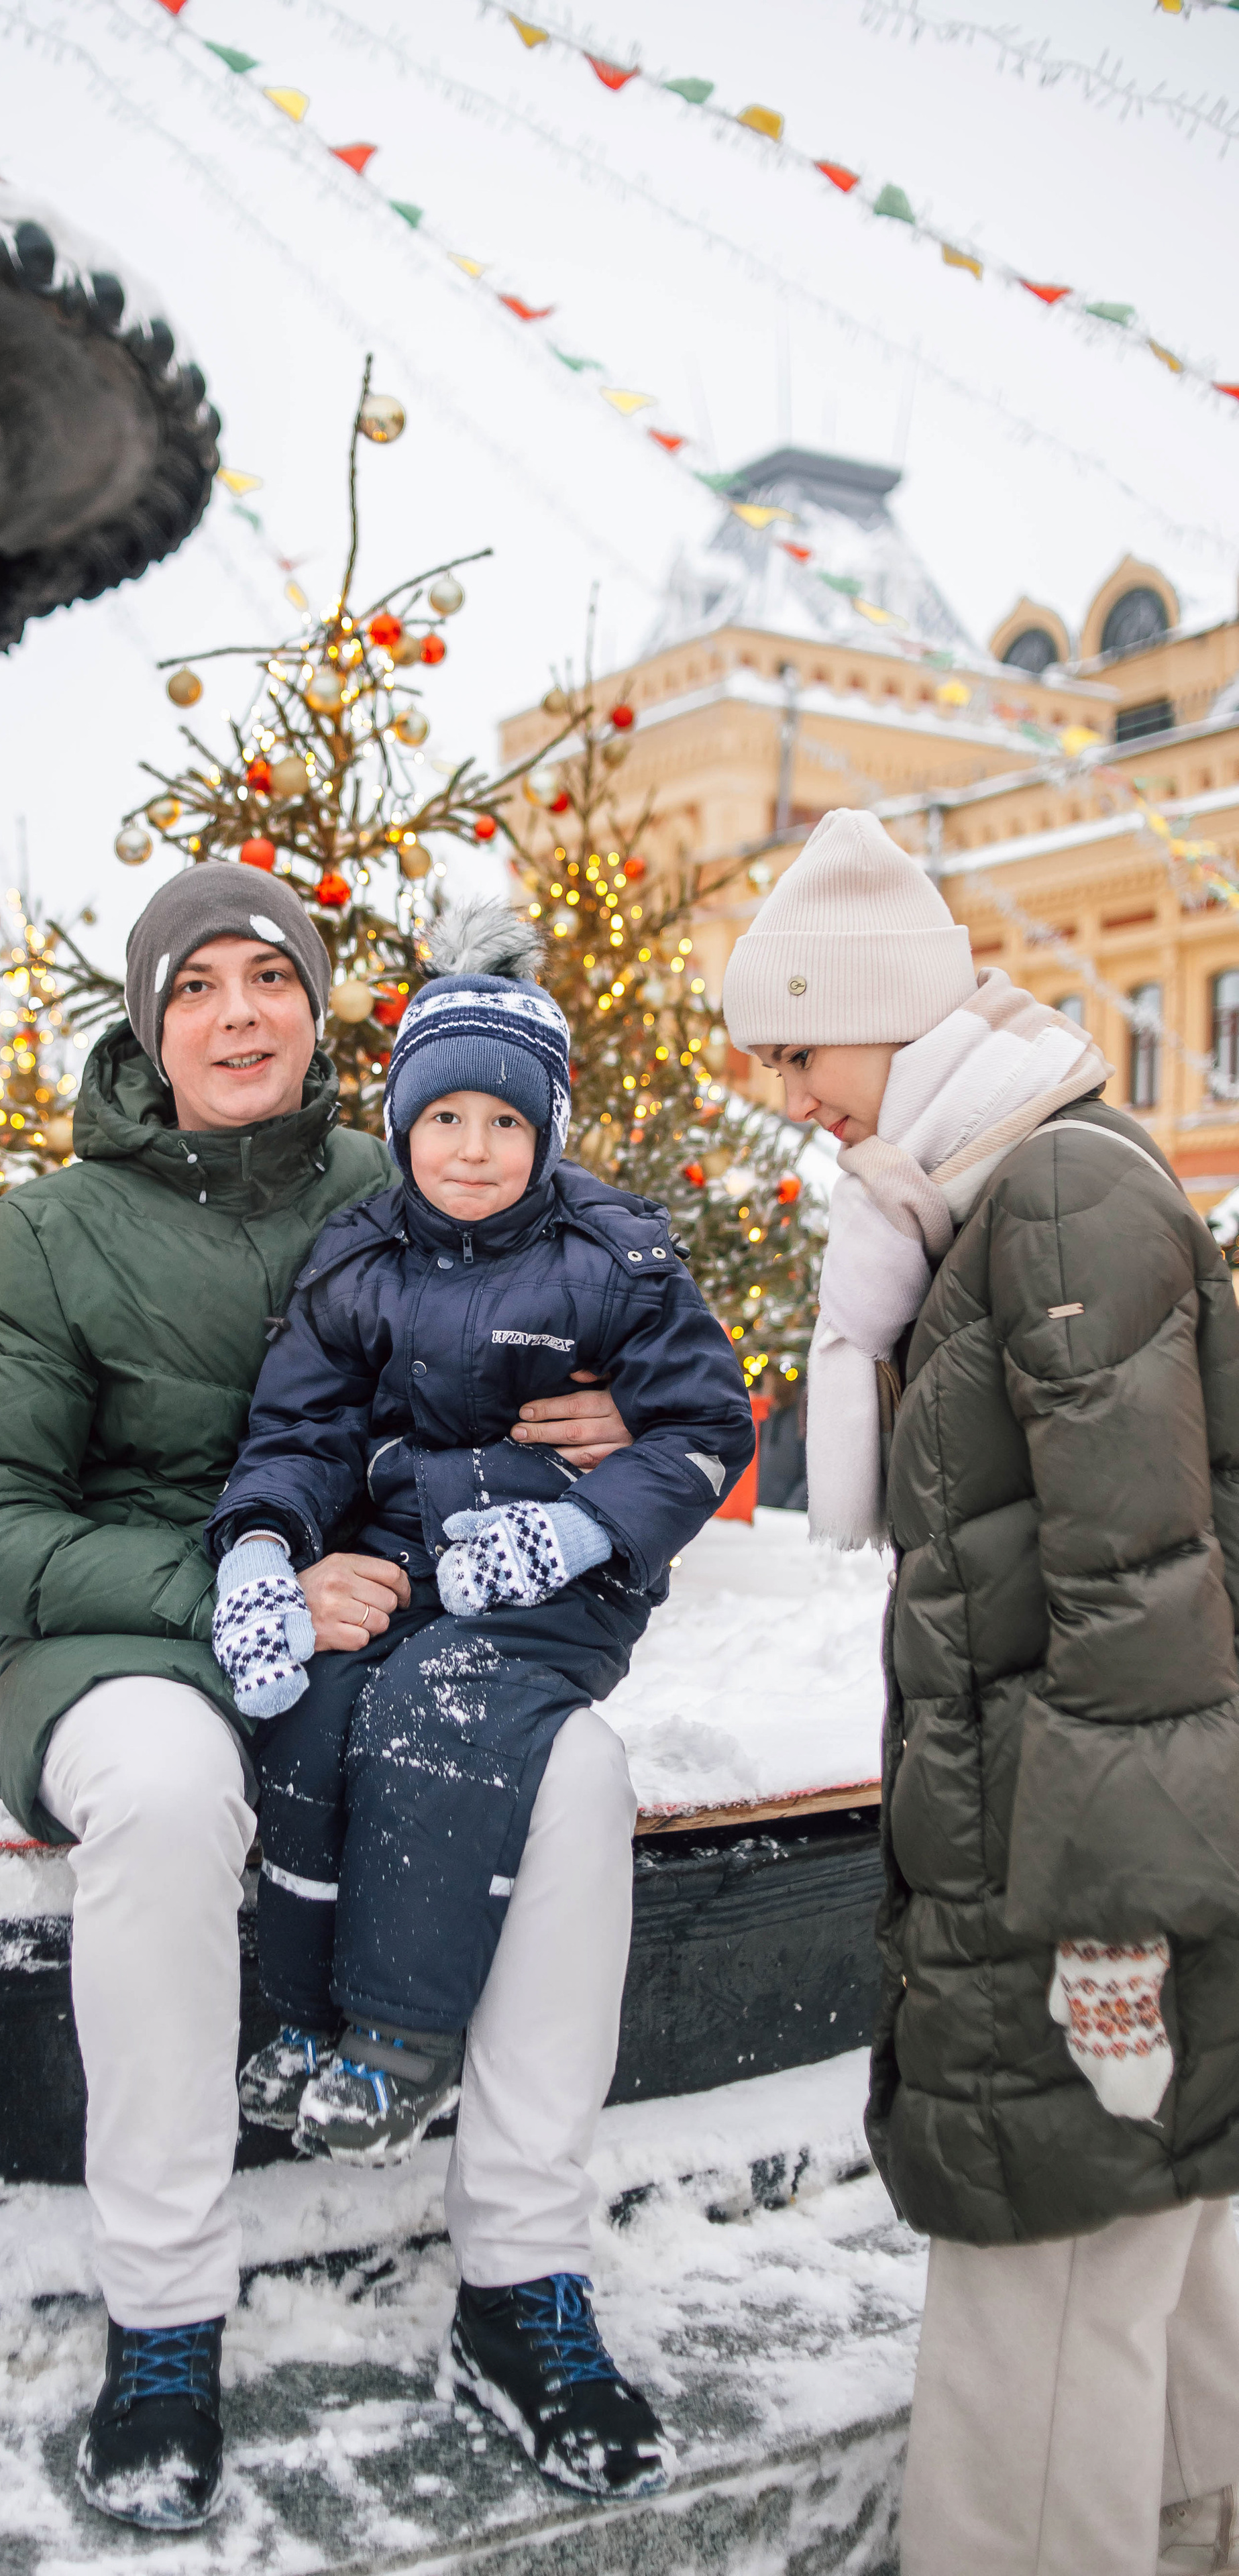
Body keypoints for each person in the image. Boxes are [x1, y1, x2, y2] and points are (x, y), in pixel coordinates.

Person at [0, 863, 655, 2535]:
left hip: (376, 1613)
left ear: (318, 1013)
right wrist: (224, 1594)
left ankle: (520, 2284)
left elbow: (591, 1331)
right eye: (195, 988)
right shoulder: (45, 1234)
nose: (235, 1012)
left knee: (576, 1768)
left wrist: (601, 1419)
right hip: (126, 1634)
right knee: (169, 1792)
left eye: (268, 979)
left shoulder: (427, 1179)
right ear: (147, 1024)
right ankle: (164, 2318)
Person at [722, 806, 1239, 2576]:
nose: (790, 1093)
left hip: (1072, 1889)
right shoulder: (999, 1190)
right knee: (1139, 2304)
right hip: (1048, 1854)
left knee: (1046, 2335)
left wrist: (1114, 1927)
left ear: (885, 1009)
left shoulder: (1060, 1198)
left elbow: (1141, 1585)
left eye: (799, 1046)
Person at [203, 902, 753, 2211]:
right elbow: (300, 1434)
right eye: (444, 1118)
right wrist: (262, 1554)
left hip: (562, 1586)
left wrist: (577, 1528)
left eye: (505, 1122)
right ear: (400, 1126)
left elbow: (703, 1427)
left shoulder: (613, 1256)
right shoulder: (359, 1258)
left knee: (432, 1710)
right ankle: (297, 2018)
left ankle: (400, 2035)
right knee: (317, 1704)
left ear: (547, 1132)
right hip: (403, 1561)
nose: (472, 1147)